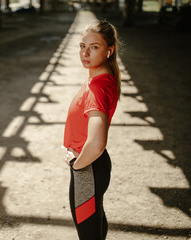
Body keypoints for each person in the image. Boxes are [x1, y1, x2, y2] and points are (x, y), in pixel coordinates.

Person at [63, 20, 121, 240]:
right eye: (82, 46)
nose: (85, 53)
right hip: (94, 167)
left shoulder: (98, 87)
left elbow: (97, 143)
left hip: (88, 168)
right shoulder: (100, 78)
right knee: (94, 225)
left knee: (89, 234)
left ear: (109, 50)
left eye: (94, 47)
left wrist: (77, 165)